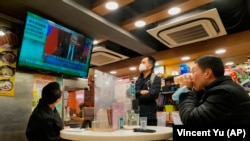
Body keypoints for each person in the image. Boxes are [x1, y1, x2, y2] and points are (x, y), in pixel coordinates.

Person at [172, 55, 250, 125]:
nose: (191, 76)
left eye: (194, 71)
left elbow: (190, 120)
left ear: (207, 73)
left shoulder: (224, 92)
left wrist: (184, 92)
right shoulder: (219, 88)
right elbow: (197, 110)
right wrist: (197, 91)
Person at [135, 56, 161, 126]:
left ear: (150, 66)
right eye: (141, 62)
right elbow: (129, 93)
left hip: (149, 116)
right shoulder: (137, 79)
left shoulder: (155, 78)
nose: (141, 64)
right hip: (136, 115)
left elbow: (152, 95)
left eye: (143, 62)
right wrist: (140, 92)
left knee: (149, 136)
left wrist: (136, 99)